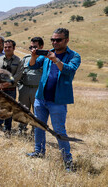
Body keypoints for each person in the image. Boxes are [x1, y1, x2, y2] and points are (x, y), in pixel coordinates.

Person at [26, 28, 81, 172]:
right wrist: (33, 55)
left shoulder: (74, 55)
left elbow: (69, 70)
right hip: (41, 98)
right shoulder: (47, 53)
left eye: (58, 40)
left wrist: (56, 60)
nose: (54, 42)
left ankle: (67, 161)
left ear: (67, 40)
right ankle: (39, 152)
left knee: (59, 130)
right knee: (39, 126)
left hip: (58, 100)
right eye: (52, 40)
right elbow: (32, 65)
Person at [0, 39, 23, 138]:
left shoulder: (18, 60)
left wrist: (8, 83)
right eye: (6, 47)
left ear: (14, 48)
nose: (7, 49)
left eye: (9, 47)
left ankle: (7, 130)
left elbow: (18, 75)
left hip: (11, 90)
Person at [17, 37, 44, 135]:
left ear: (41, 47)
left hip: (38, 90)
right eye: (31, 47)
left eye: (35, 47)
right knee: (22, 110)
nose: (32, 49)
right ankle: (21, 130)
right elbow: (20, 73)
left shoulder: (45, 59)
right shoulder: (26, 59)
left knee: (37, 112)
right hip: (24, 89)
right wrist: (20, 87)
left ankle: (35, 132)